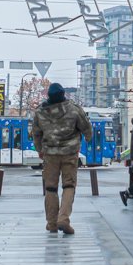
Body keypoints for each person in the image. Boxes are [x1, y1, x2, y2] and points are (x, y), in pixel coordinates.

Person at [30, 82, 93, 235]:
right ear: (63, 94)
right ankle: (63, 219)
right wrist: (87, 138)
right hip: (70, 153)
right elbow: (87, 128)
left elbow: (36, 134)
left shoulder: (40, 112)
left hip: (50, 154)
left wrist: (40, 150)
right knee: (68, 186)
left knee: (50, 188)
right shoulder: (74, 109)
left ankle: (51, 223)